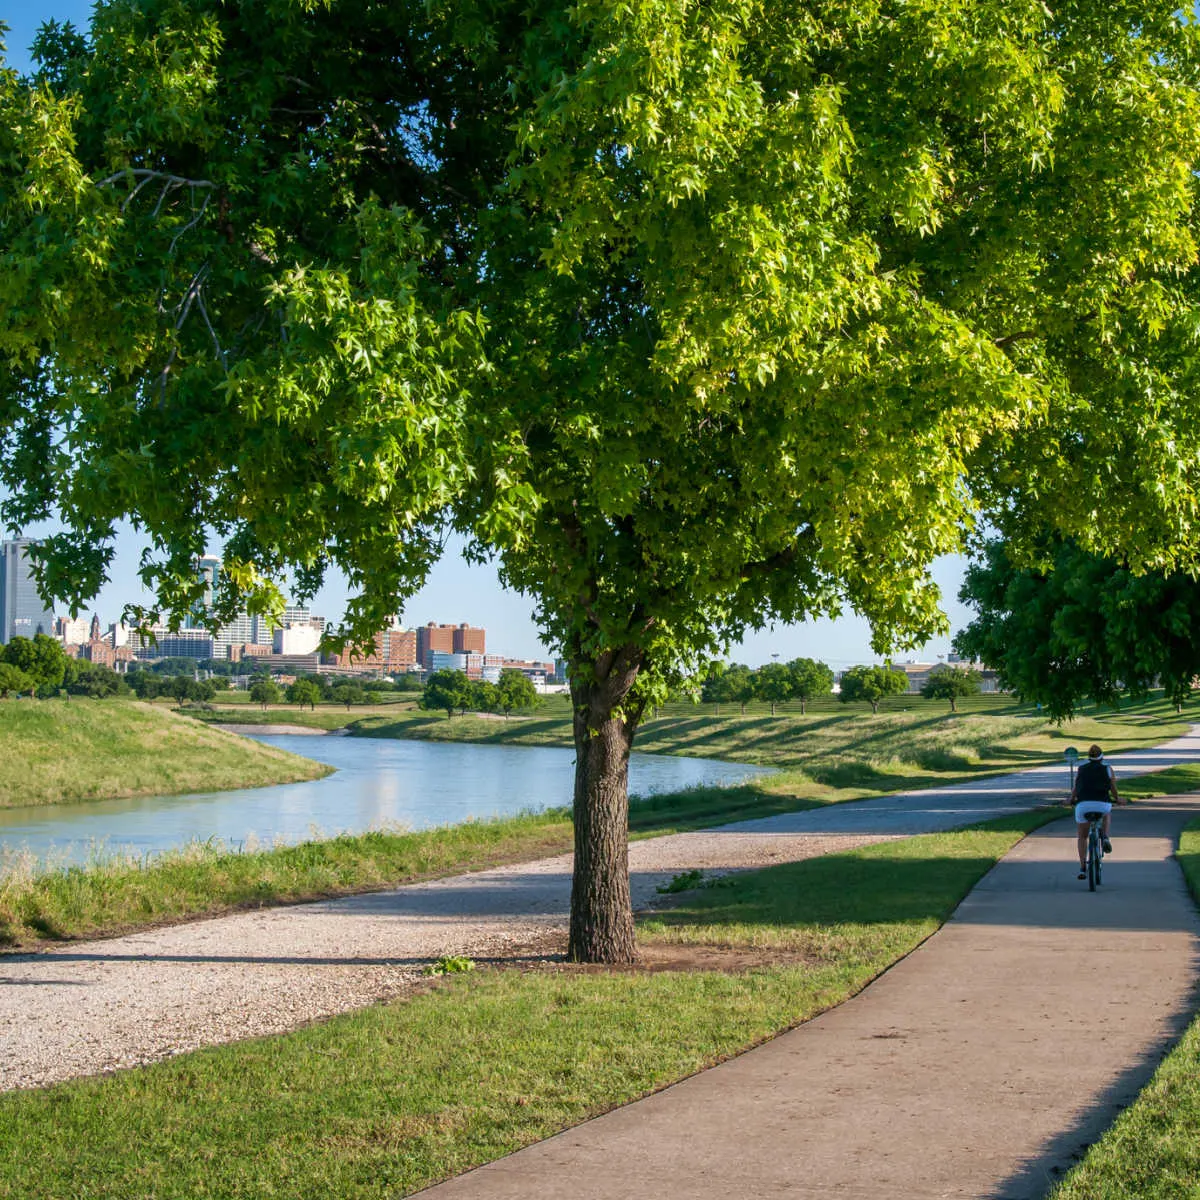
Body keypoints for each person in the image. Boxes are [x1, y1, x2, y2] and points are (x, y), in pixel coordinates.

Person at [1067, 744, 1125, 880]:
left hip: (1083, 806)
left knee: (1082, 836)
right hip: (1102, 804)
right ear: (1101, 757)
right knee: (1107, 813)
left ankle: (1082, 868)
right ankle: (1105, 836)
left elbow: (1076, 788)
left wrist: (1071, 799)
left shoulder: (1081, 769)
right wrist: (1118, 799)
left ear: (1089, 757)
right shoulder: (1108, 769)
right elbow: (1113, 788)